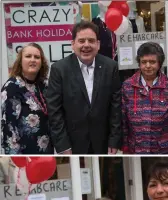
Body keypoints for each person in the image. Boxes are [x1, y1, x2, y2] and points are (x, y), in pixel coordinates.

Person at [46, 21, 121, 154]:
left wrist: (114, 140)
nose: (86, 45)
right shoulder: (59, 70)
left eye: (91, 41)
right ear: (73, 44)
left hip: (103, 142)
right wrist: (63, 145)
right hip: (72, 144)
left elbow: (116, 107)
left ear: (98, 45)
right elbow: (54, 111)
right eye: (81, 41)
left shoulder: (110, 67)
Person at [122, 42, 168, 154]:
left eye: (152, 62)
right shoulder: (128, 86)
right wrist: (125, 148)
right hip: (136, 150)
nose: (147, 66)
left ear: (159, 64)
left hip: (163, 150)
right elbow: (123, 122)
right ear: (139, 63)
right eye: (144, 62)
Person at [1, 43, 54, 154]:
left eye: (37, 57)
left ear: (41, 62)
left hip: (46, 152)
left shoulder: (44, 85)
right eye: (28, 56)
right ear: (20, 61)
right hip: (25, 155)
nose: (33, 60)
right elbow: (8, 128)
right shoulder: (12, 87)